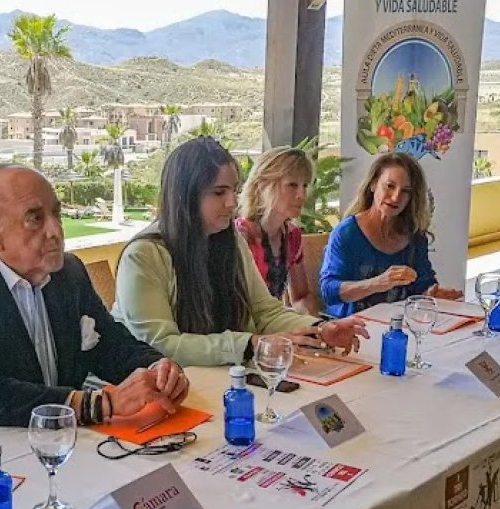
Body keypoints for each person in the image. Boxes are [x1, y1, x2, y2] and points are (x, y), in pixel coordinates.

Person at [0, 163, 189, 448]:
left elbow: (111, 344)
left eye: (56, 214)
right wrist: (98, 404)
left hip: (45, 445)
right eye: (35, 218)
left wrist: (158, 369)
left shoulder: (68, 274)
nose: (56, 231)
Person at [112, 137, 368, 368]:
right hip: (156, 389)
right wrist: (250, 345)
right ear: (185, 195)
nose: (232, 202)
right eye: (219, 192)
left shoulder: (229, 240)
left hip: (221, 378)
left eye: (234, 190)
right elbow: (160, 344)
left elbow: (266, 312)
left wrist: (320, 329)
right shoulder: (144, 255)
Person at [319, 152, 464, 317]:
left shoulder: (414, 235)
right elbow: (328, 291)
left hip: (401, 326)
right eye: (389, 186)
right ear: (373, 185)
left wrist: (433, 293)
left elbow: (423, 283)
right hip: (354, 330)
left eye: (406, 191)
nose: (396, 197)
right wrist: (378, 283)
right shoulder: (347, 233)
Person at [235, 146, 321, 315]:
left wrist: (314, 324)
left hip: (275, 326)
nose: (301, 195)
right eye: (292, 185)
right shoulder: (241, 236)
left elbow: (300, 297)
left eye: (305, 185)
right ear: (262, 185)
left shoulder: (292, 236)